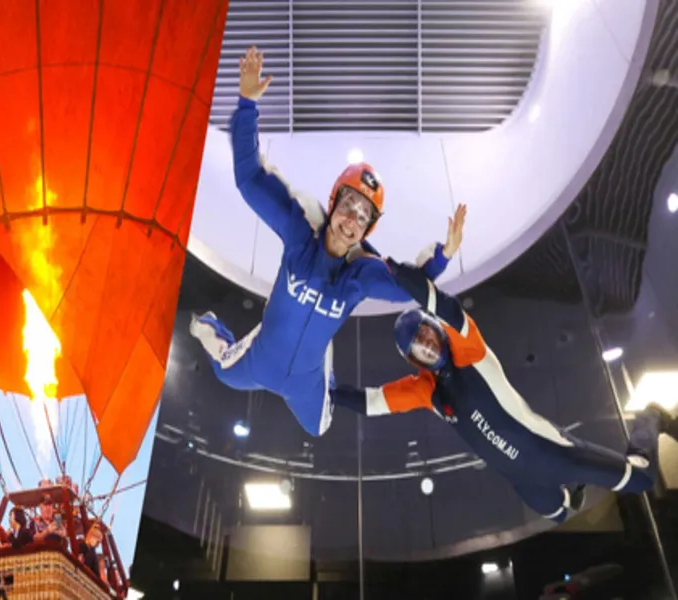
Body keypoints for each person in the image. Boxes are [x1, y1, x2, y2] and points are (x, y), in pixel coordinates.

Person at [190, 45, 464, 437]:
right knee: (222, 372)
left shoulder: (362, 275)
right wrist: (247, 105)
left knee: (319, 428)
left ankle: (323, 365)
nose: (351, 219)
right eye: (348, 205)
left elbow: (411, 288)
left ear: (367, 230)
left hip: (306, 381)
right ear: (333, 202)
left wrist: (445, 255)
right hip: (260, 358)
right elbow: (250, 179)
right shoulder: (301, 231)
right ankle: (211, 326)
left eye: (363, 216)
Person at [332, 255, 678, 522]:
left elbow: (445, 306)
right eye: (417, 347)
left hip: (557, 455)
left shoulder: (469, 350)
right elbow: (374, 402)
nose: (427, 345)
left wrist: (390, 268)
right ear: (413, 360)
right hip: (521, 479)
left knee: (644, 480)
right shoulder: (427, 391)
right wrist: (332, 395)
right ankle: (572, 494)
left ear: (436, 329)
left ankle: (651, 416)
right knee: (559, 514)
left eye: (426, 333)